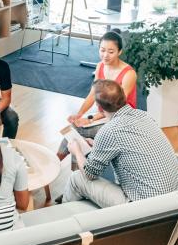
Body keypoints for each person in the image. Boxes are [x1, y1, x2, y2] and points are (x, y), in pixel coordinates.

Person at [62, 80, 178, 208]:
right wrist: (96, 144)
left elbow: (89, 174)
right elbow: (133, 146)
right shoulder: (145, 116)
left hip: (148, 208)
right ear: (123, 96)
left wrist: (76, 151)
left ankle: (65, 221)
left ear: (99, 108)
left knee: (76, 178)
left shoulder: (109, 130)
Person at [57, 30, 137, 161]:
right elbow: (92, 95)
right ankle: (72, 170)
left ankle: (59, 163)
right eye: (102, 50)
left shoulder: (129, 74)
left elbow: (115, 107)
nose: (105, 55)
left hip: (121, 121)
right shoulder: (100, 66)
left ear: (120, 52)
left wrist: (91, 119)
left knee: (76, 131)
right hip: (105, 117)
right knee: (75, 129)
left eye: (111, 52)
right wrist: (79, 114)